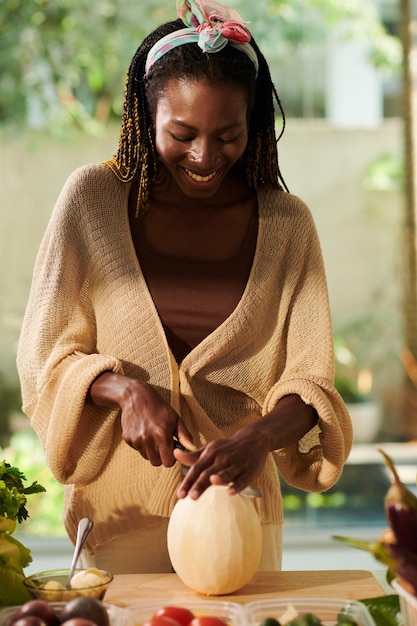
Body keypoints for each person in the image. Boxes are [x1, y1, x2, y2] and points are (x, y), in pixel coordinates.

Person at [17, 0, 352, 574]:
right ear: (146, 119)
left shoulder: (288, 225)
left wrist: (259, 439)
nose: (204, 156)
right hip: (116, 522)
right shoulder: (92, 203)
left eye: (228, 135)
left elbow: (310, 378)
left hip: (241, 522)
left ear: (255, 125)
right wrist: (121, 391)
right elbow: (44, 354)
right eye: (182, 133)